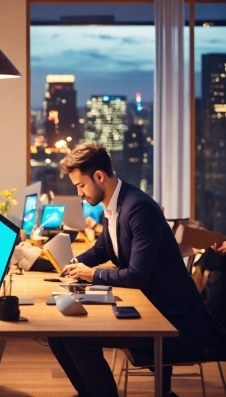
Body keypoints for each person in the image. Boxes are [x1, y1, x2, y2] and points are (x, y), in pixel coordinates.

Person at [48, 142, 212, 397]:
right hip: (145, 306)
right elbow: (103, 249)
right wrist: (71, 266)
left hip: (169, 320)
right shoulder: (113, 205)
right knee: (58, 334)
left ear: (99, 176)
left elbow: (136, 275)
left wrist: (91, 274)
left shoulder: (138, 207)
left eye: (81, 185)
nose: (80, 194)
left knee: (75, 337)